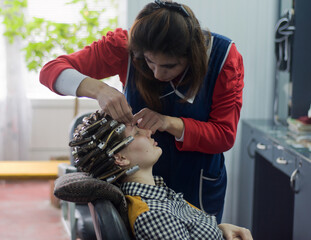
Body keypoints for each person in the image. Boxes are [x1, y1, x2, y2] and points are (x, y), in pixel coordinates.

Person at [40, 0, 244, 223]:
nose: (157, 74)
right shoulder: (124, 46)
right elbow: (51, 72)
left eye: (169, 66)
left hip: (197, 180)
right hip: (139, 185)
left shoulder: (223, 59)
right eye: (149, 61)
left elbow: (224, 135)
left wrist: (168, 123)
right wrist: (99, 89)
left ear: (192, 56)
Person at [68, 111, 252, 240]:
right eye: (138, 132)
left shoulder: (159, 193)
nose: (149, 132)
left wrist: (219, 230)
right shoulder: (153, 215)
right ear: (120, 158)